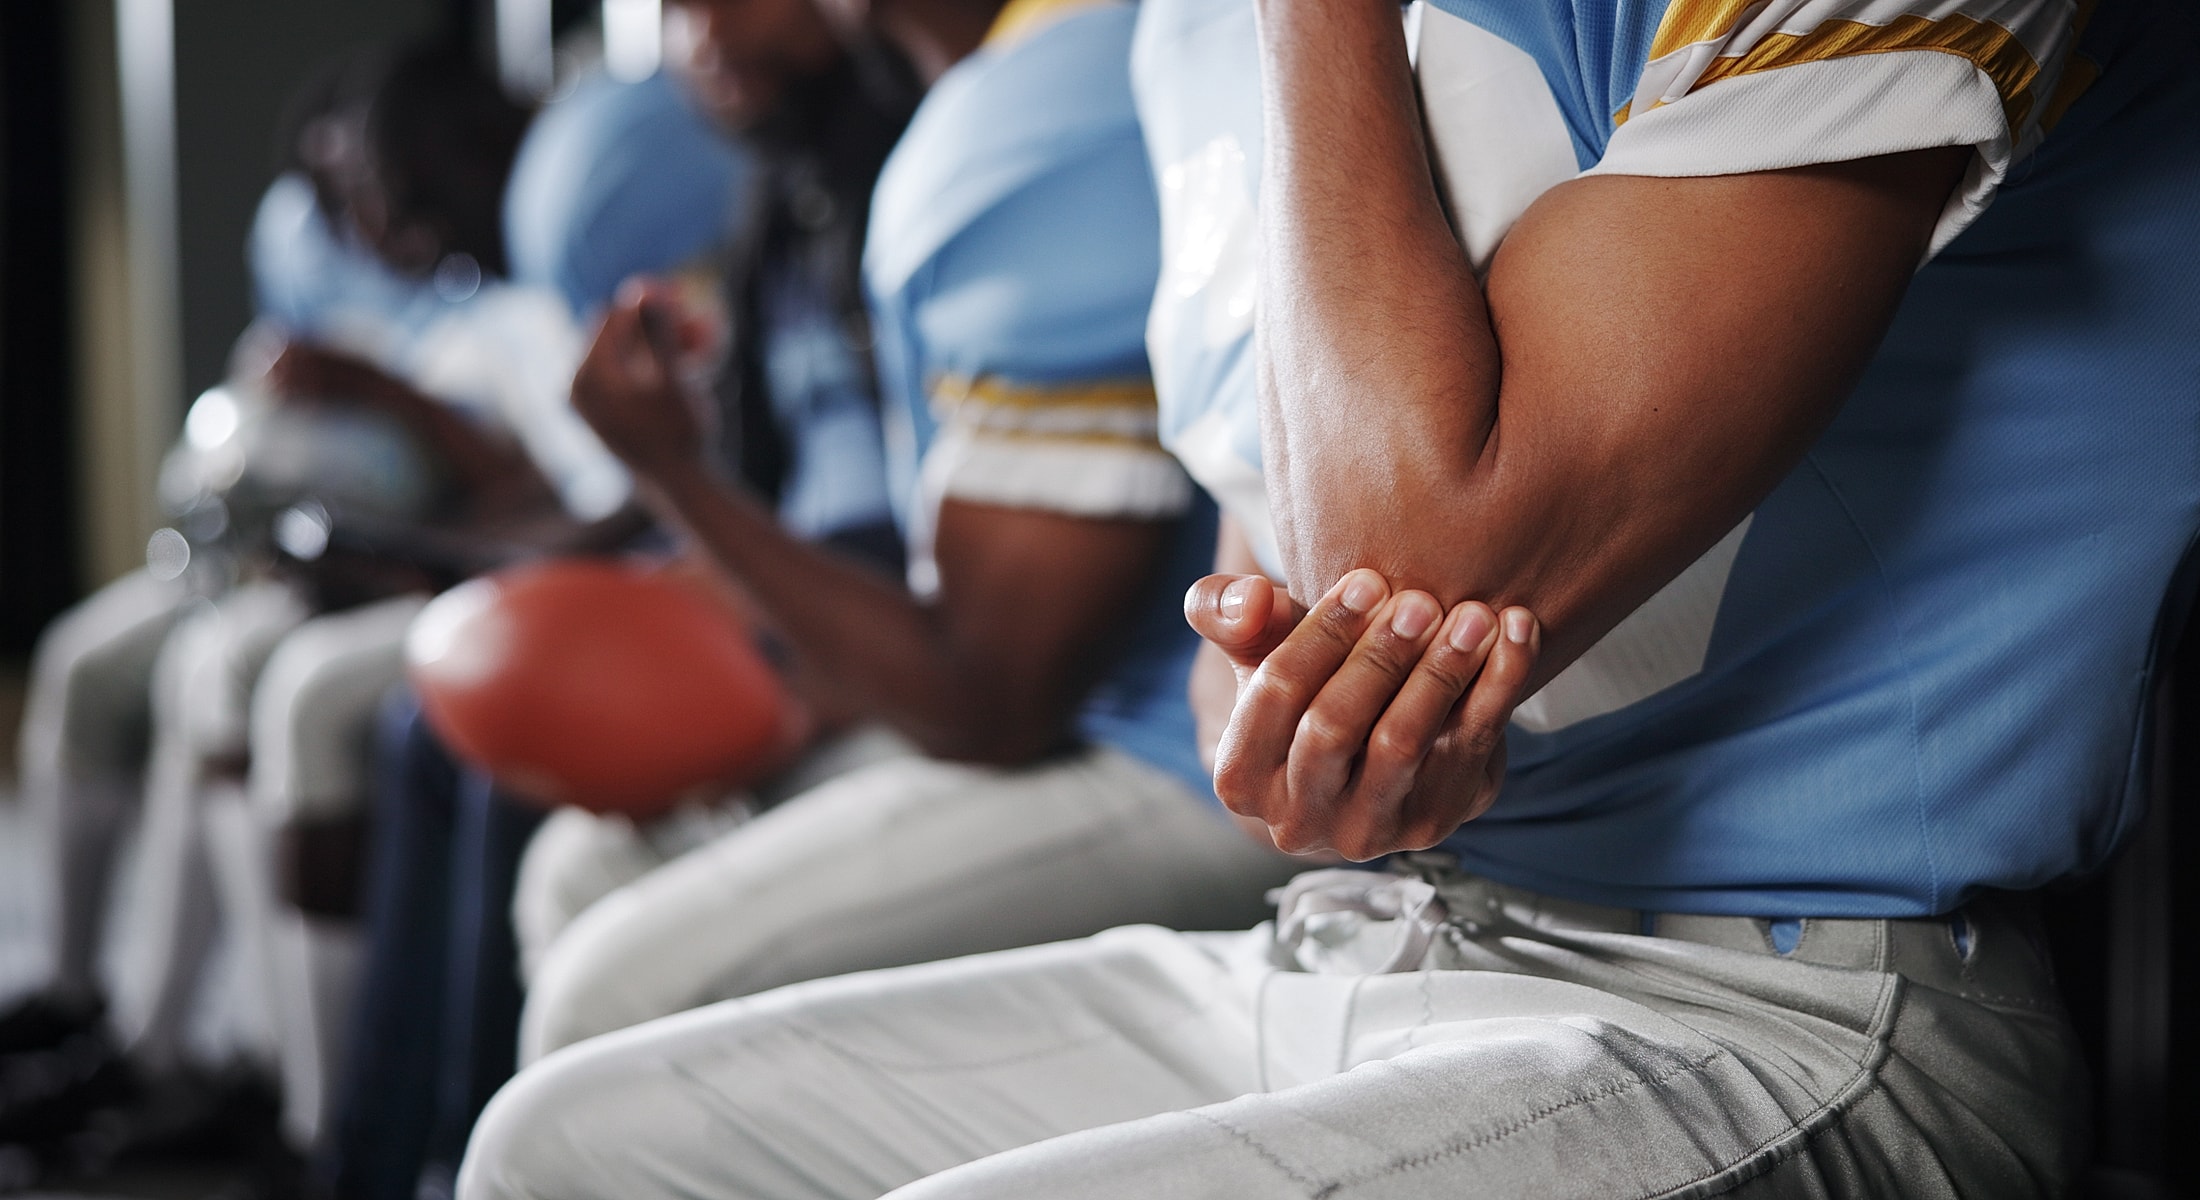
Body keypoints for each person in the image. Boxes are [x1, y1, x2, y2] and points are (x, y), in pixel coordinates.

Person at [454, 0, 2200, 1195]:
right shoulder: (1195, 41)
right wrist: (1301, 749)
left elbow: (1410, 562)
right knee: (573, 1148)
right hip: (1379, 935)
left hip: (1790, 1001)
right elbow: (1264, 623)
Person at [489, 0, 1301, 1069]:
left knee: (607, 1002)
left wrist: (672, 472)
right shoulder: (979, 104)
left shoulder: (1046, 122)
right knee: (583, 866)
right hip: (1089, 699)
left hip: (1197, 761)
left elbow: (990, 701)